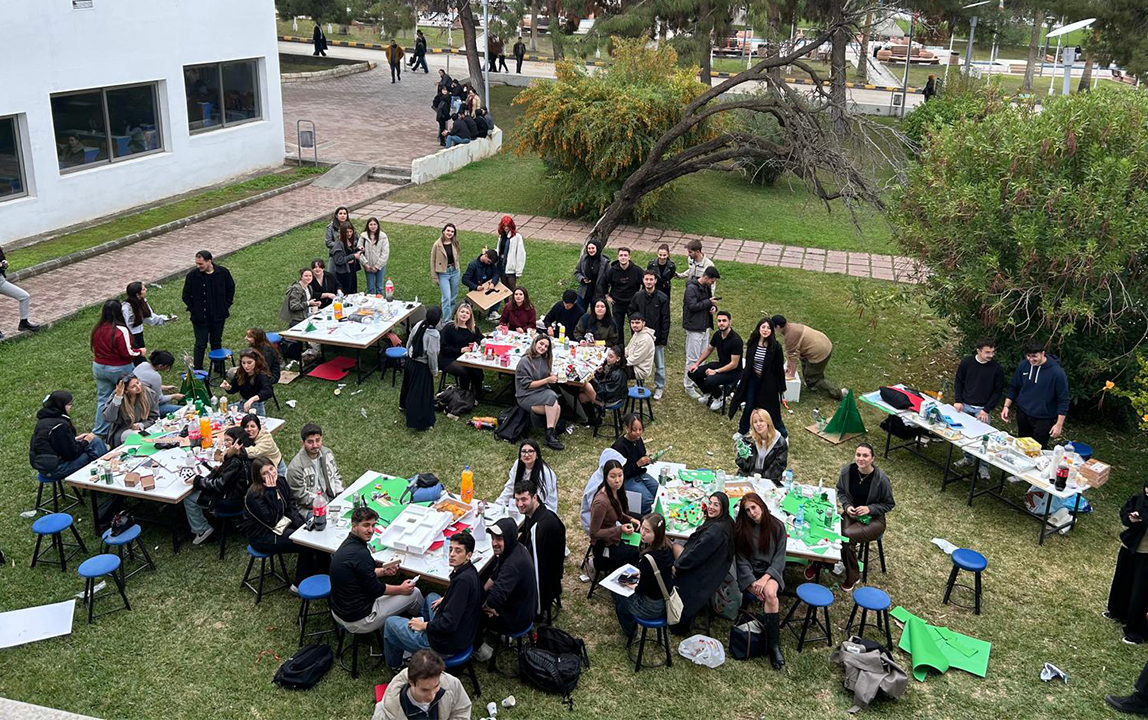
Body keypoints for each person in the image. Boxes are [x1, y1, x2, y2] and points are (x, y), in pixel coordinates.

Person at [383, 532, 483, 670]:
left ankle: (395, 665)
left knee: (390, 623)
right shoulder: (470, 572)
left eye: (458, 550)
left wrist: (425, 626)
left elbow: (449, 624)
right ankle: (416, 636)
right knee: (432, 597)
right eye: (450, 549)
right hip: (463, 632)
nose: (452, 554)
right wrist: (447, 598)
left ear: (469, 555)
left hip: (444, 644)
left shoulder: (462, 582)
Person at [331, 507, 423, 636]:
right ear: (354, 525)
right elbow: (376, 589)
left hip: (339, 611)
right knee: (414, 593)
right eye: (366, 525)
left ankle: (409, 618)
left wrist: (383, 571)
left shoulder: (348, 544)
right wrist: (401, 589)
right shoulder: (360, 553)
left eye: (373, 525)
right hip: (359, 619)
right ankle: (424, 627)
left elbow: (361, 575)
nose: (371, 530)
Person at [242, 457, 328, 589]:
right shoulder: (254, 495)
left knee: (314, 534)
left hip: (282, 524)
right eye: (265, 473)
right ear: (258, 477)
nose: (271, 474)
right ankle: (298, 584)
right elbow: (271, 519)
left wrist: (301, 525)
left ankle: (322, 572)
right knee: (304, 543)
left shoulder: (281, 481)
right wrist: (271, 491)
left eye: (271, 469)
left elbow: (290, 505)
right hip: (264, 535)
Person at [829, 444, 895, 591]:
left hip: (874, 520)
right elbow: (841, 491)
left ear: (872, 459)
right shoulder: (848, 471)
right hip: (852, 514)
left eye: (865, 455)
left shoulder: (881, 479)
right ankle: (836, 560)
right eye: (858, 454)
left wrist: (869, 509)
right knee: (833, 528)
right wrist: (847, 506)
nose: (861, 458)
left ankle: (853, 575)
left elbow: (889, 504)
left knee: (846, 536)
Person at [733, 492, 787, 669]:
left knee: (771, 595)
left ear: (761, 505)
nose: (751, 513)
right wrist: (751, 582)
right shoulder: (743, 529)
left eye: (753, 508)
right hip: (750, 573)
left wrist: (764, 579)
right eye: (747, 510)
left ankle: (774, 645)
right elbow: (741, 559)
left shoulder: (778, 527)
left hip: (769, 572)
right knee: (761, 591)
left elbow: (779, 559)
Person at [673, 492, 735, 634]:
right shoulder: (728, 522)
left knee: (674, 545)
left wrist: (677, 566)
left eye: (716, 505)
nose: (711, 507)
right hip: (717, 568)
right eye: (710, 503)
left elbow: (694, 557)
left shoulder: (715, 532)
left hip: (702, 574)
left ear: (723, 507)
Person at [183, 426, 250, 545]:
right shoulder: (244, 455)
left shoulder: (235, 461)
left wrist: (197, 481)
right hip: (239, 496)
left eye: (228, 440)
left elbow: (219, 485)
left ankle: (202, 529)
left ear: (237, 442)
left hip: (229, 501)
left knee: (189, 498)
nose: (225, 444)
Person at [615, 513, 676, 638]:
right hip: (665, 599)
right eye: (642, 527)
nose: (642, 533)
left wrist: (631, 585)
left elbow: (640, 590)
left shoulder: (648, 559)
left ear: (657, 534)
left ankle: (630, 632)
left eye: (647, 531)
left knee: (619, 595)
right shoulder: (667, 546)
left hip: (651, 607)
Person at [952, 338, 1006, 477]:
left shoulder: (997, 369)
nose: (991, 355)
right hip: (965, 405)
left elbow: (997, 392)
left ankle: (984, 466)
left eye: (992, 352)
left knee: (984, 439)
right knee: (965, 435)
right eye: (987, 352)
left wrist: (986, 410)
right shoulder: (967, 362)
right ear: (978, 351)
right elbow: (959, 381)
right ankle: (967, 458)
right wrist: (958, 400)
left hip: (982, 409)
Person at [1000, 341, 1069, 449]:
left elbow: (1063, 399)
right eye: (1028, 356)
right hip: (1023, 412)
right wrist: (1006, 406)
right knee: (1021, 444)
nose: (1031, 360)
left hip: (1043, 417)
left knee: (1038, 448)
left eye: (1034, 356)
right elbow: (1014, 386)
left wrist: (1059, 424)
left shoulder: (1057, 373)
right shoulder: (1023, 365)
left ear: (1042, 353)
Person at [481, 518, 538, 645]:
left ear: (509, 537)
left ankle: (478, 646)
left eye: (499, 539)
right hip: (523, 606)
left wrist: (484, 607)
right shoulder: (515, 549)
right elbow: (495, 576)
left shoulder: (512, 565)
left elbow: (495, 598)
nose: (494, 543)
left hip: (517, 618)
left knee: (470, 609)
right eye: (493, 538)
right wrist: (482, 590)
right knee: (481, 585)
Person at [91, 299, 143, 438]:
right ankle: (129, 423)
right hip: (119, 368)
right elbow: (127, 352)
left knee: (103, 398)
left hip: (99, 366)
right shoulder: (121, 330)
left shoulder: (98, 328)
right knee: (127, 394)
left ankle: (100, 430)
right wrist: (140, 352)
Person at [30, 391, 110, 481]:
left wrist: (74, 439)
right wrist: (86, 441)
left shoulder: (44, 420)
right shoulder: (60, 425)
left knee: (95, 442)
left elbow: (54, 444)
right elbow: (72, 454)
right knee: (94, 449)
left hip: (44, 467)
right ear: (60, 405)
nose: (70, 406)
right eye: (68, 404)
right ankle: (106, 474)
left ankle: (105, 469)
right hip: (56, 470)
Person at [729, 317, 787, 440]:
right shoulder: (752, 343)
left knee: (771, 409)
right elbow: (749, 363)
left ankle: (783, 434)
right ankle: (743, 430)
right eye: (763, 327)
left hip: (768, 382)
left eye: (768, 328)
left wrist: (781, 387)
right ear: (759, 328)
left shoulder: (775, 347)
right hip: (753, 379)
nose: (765, 330)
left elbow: (778, 368)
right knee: (749, 405)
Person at [515, 481, 566, 620]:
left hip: (546, 584)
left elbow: (537, 572)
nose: (520, 504)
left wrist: (537, 609)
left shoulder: (540, 526)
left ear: (534, 497)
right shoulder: (541, 513)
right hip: (554, 574)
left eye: (524, 499)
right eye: (517, 499)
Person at [374, 649, 472, 720]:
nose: (432, 696)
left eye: (436, 686)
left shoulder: (452, 684)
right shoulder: (387, 712)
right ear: (411, 682)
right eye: (425, 690)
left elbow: (462, 711)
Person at [1108, 477, 1148, 645]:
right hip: (1130, 545)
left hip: (1146, 552)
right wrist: (1131, 518)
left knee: (1142, 591)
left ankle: (1137, 631)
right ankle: (1118, 611)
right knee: (1122, 579)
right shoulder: (1138, 499)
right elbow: (1125, 514)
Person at [182, 250, 235, 372]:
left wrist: (225, 305)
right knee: (200, 344)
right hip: (200, 318)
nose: (198, 266)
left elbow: (230, 289)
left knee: (216, 342)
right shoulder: (192, 276)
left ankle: (218, 367)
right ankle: (198, 369)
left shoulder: (223, 273)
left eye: (201, 264)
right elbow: (186, 295)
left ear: (209, 261)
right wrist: (194, 310)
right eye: (197, 263)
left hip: (218, 316)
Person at [589, 459, 642, 575]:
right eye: (612, 476)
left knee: (641, 519)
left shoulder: (615, 490)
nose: (617, 480)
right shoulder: (601, 503)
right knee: (636, 552)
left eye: (620, 475)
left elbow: (615, 512)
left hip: (614, 530)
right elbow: (593, 533)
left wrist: (630, 519)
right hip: (605, 544)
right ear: (606, 477)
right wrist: (620, 529)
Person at [772, 315, 843, 400]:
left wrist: (791, 374)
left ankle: (839, 394)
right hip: (823, 343)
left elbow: (792, 357)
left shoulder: (790, 336)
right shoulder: (792, 326)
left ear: (778, 327)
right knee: (806, 365)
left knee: (814, 379)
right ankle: (812, 383)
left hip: (820, 352)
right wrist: (788, 367)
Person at [515, 334, 564, 450]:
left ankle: (550, 434)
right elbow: (527, 385)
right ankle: (550, 436)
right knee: (552, 397)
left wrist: (550, 377)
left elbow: (543, 376)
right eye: (541, 344)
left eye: (546, 346)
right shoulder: (525, 361)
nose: (543, 348)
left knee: (557, 407)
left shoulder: (544, 359)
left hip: (540, 392)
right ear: (535, 342)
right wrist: (547, 380)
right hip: (525, 395)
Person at [688, 310, 742, 411]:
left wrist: (715, 371)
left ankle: (720, 397)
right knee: (693, 373)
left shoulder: (736, 340)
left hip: (733, 372)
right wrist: (696, 364)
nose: (721, 323)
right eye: (719, 321)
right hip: (721, 365)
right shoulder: (717, 334)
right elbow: (709, 349)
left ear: (730, 322)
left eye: (724, 321)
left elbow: (734, 364)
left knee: (710, 380)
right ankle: (708, 394)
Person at [285, 423, 344, 516]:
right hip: (308, 509)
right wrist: (326, 506)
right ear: (303, 443)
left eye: (318, 440)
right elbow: (302, 497)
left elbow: (336, 476)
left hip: (330, 499)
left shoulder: (327, 453)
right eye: (310, 442)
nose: (315, 445)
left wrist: (341, 495)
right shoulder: (295, 468)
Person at [400, 306, 443, 431]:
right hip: (421, 366)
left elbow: (410, 340)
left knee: (407, 386)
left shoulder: (419, 324)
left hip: (410, 361)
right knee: (420, 393)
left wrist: (408, 354)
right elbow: (432, 354)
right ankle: (419, 421)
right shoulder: (434, 335)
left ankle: (403, 405)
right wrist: (434, 371)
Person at [630, 272, 669, 399]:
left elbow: (666, 319)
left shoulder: (662, 298)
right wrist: (635, 331)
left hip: (656, 338)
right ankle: (640, 385)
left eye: (651, 279)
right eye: (646, 279)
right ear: (643, 280)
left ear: (655, 281)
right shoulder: (637, 296)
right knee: (639, 361)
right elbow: (631, 313)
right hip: (641, 338)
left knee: (660, 365)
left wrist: (663, 338)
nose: (648, 282)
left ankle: (659, 387)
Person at [682, 266, 720, 398]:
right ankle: (688, 385)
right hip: (694, 327)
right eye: (712, 280)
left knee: (702, 356)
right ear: (706, 277)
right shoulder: (691, 289)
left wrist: (713, 307)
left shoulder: (706, 287)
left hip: (704, 326)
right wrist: (707, 302)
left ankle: (698, 379)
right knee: (692, 358)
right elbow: (692, 306)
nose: (713, 283)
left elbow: (710, 302)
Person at [611, 414, 660, 514]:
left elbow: (641, 457)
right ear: (627, 429)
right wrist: (637, 464)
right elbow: (618, 473)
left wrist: (648, 460)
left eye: (640, 429)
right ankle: (647, 520)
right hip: (626, 479)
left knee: (658, 491)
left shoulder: (638, 440)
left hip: (639, 473)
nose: (638, 433)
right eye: (634, 430)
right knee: (647, 501)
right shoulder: (619, 447)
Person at [496, 439, 558, 512]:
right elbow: (510, 487)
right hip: (522, 506)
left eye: (531, 451)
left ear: (537, 454)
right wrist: (497, 505)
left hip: (542, 510)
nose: (527, 455)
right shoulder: (518, 464)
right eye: (524, 451)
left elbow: (540, 500)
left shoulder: (545, 473)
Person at [598, 247, 644, 342]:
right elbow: (603, 283)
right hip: (617, 303)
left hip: (633, 303)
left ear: (629, 257)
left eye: (625, 255)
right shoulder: (612, 271)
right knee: (618, 328)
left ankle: (635, 346)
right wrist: (607, 296)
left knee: (635, 328)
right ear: (618, 257)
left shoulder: (637, 271)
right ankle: (619, 349)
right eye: (621, 255)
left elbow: (645, 283)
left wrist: (640, 296)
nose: (623, 257)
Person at [101, 374, 160, 446]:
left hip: (144, 428)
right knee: (139, 437)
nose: (138, 387)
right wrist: (118, 398)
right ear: (126, 390)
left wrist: (141, 425)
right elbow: (109, 417)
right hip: (122, 431)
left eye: (138, 383)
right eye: (133, 387)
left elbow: (154, 417)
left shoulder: (149, 393)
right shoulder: (116, 397)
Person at [439, 303, 484, 394]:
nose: (464, 314)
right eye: (462, 311)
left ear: (470, 316)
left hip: (465, 357)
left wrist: (476, 342)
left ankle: (478, 391)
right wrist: (460, 350)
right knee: (464, 372)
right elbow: (443, 348)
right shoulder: (449, 328)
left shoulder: (472, 328)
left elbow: (481, 338)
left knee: (477, 370)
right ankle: (464, 395)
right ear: (457, 313)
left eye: (467, 313)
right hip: (448, 358)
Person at [735, 409, 788, 481]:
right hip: (749, 476)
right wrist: (742, 458)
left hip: (769, 478)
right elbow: (744, 467)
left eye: (761, 421)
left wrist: (761, 479)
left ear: (768, 422)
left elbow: (778, 466)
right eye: (755, 422)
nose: (758, 424)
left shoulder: (780, 442)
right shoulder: (748, 439)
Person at [122, 281, 174, 353]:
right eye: (143, 289)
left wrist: (166, 319)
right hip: (129, 337)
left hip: (139, 335)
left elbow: (150, 318)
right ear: (137, 294)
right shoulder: (126, 308)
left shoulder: (142, 302)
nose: (146, 290)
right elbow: (125, 325)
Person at [219, 349, 274, 416]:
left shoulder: (261, 375)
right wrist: (228, 387)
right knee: (222, 411)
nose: (246, 366)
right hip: (243, 403)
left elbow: (268, 391)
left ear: (256, 362)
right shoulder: (240, 372)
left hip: (256, 407)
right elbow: (234, 389)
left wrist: (252, 399)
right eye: (243, 363)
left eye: (249, 362)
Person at [0, 246, 40, 339]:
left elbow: (3, 261)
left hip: (1, 281)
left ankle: (24, 323)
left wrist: (5, 263)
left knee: (24, 296)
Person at [133, 350, 185, 415]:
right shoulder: (155, 376)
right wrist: (174, 396)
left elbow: (145, 385)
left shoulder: (142, 365)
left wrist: (165, 388)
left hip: (134, 403)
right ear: (160, 366)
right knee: (183, 410)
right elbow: (158, 400)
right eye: (168, 366)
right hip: (145, 408)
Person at [578, 345, 627, 410]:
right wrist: (600, 373)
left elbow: (604, 392)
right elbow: (605, 382)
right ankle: (588, 413)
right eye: (608, 355)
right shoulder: (613, 367)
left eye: (611, 357)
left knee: (586, 386)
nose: (608, 358)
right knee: (581, 394)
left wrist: (592, 378)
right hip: (609, 395)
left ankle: (595, 410)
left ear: (618, 359)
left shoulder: (617, 374)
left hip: (611, 399)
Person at [238, 413, 285, 477]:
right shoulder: (249, 436)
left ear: (258, 427)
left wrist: (236, 450)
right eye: (246, 427)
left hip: (276, 470)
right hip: (262, 469)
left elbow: (254, 452)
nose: (249, 429)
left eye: (252, 426)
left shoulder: (266, 440)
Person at [431, 224, 461, 320]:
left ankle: (450, 316)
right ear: (443, 231)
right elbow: (433, 260)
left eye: (452, 231)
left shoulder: (455, 243)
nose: (450, 233)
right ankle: (446, 320)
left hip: (454, 271)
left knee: (453, 297)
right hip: (443, 273)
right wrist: (434, 276)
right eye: (448, 231)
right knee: (446, 297)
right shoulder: (437, 244)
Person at [574, 239, 609, 311]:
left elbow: (609, 278)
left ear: (598, 248)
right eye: (589, 248)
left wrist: (605, 291)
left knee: (595, 315)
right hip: (583, 293)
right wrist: (582, 279)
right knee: (580, 313)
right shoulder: (584, 259)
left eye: (593, 248)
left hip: (597, 293)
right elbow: (577, 272)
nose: (591, 250)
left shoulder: (604, 263)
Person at [359, 217, 390, 296]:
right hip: (368, 266)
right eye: (371, 224)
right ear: (368, 226)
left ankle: (381, 303)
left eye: (374, 224)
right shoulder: (363, 236)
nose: (373, 226)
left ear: (378, 225)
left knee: (379, 286)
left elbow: (385, 253)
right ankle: (371, 304)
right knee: (370, 287)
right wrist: (365, 264)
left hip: (380, 266)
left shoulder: (383, 236)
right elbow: (359, 251)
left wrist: (377, 266)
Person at [329, 222, 362, 295]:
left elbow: (348, 251)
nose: (349, 234)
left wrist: (357, 249)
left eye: (351, 231)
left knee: (353, 291)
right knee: (346, 293)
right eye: (347, 232)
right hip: (343, 274)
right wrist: (353, 256)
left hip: (351, 271)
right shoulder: (338, 244)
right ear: (342, 232)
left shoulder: (349, 240)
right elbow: (338, 260)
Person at [496, 215, 525, 293]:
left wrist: (519, 271)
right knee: (504, 288)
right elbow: (499, 249)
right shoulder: (501, 236)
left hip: (511, 267)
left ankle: (514, 304)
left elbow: (521, 254)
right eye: (504, 226)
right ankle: (507, 304)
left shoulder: (517, 237)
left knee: (512, 288)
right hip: (501, 264)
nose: (506, 228)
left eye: (507, 226)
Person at [625, 313, 656, 386]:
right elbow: (628, 349)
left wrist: (620, 362)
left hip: (640, 370)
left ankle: (618, 393)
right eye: (632, 323)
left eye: (637, 323)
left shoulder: (645, 339)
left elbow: (636, 359)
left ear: (643, 323)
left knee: (616, 371)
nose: (634, 325)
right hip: (633, 364)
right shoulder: (637, 333)